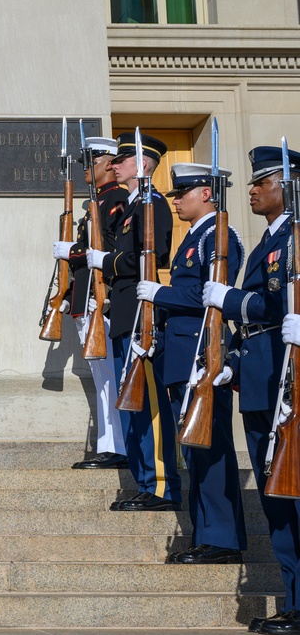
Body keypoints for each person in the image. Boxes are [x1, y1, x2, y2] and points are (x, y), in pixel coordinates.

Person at [202, 146, 299, 634]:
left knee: (295, 495)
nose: (253, 189)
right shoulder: (269, 239)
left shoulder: (295, 237)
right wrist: (234, 361)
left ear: (289, 185)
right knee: (275, 495)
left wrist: (233, 299)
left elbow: (280, 305)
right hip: (259, 380)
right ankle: (294, 600)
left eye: (263, 181)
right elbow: (259, 323)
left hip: (288, 380)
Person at [136, 162, 247, 564]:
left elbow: (213, 294)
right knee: (195, 452)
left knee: (212, 448)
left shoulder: (219, 237)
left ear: (206, 193)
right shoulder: (194, 238)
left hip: (205, 354)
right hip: (183, 355)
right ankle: (206, 534)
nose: (176, 200)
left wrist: (159, 294)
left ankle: (223, 540)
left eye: (182, 193)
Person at [87, 131, 178, 511]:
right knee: (132, 403)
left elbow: (146, 258)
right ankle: (145, 481)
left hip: (143, 317)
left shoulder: (151, 205)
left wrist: (103, 262)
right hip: (125, 315)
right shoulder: (132, 207)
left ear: (140, 165)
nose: (115, 165)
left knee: (150, 405)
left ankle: (161, 486)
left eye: (121, 160)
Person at [52, 136, 128, 469]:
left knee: (112, 378)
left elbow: (110, 250)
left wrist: (74, 252)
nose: (86, 170)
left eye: (92, 163)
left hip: (105, 302)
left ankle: (118, 448)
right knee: (102, 379)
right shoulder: (96, 204)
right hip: (88, 303)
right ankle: (110, 444)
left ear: (110, 165)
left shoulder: (117, 201)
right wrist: (69, 296)